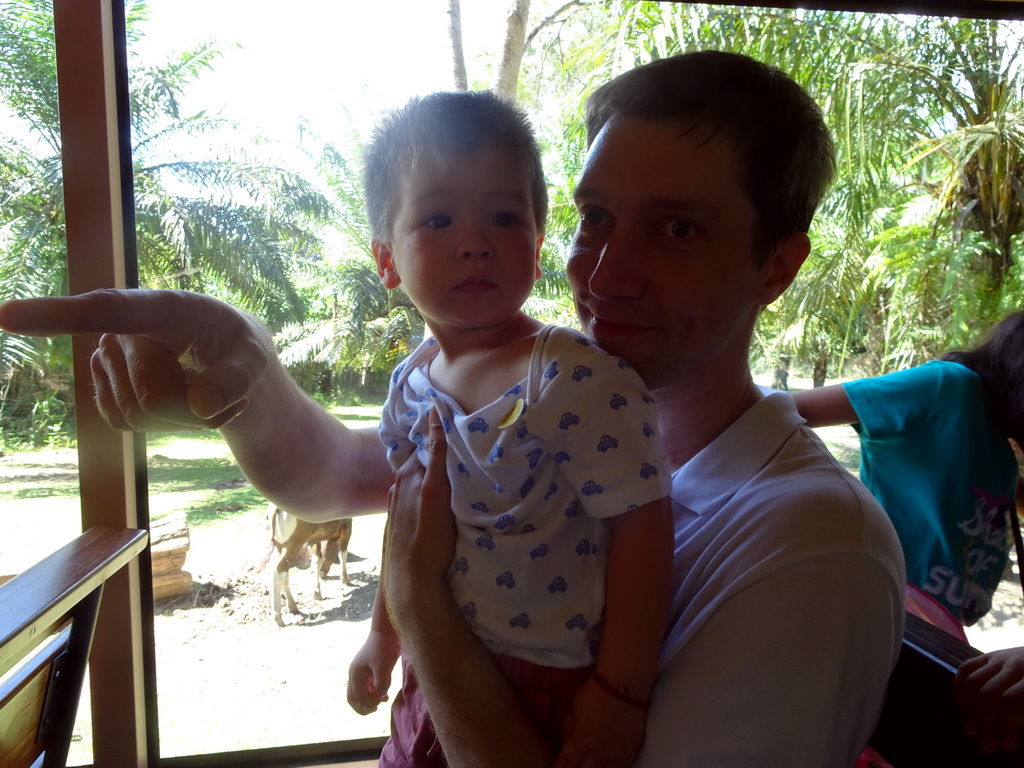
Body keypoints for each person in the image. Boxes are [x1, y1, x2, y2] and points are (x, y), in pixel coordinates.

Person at [0, 51, 906, 766]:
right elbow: (352, 474)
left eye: (676, 228)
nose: (602, 271)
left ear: (778, 266)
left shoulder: (809, 545)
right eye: (595, 218)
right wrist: (239, 377)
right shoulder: (526, 401)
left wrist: (413, 598)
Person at [345, 90, 673, 768]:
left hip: (544, 684)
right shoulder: (411, 383)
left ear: (536, 241)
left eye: (503, 216)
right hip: (432, 666)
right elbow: (404, 523)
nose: (475, 243)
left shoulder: (572, 379)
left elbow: (643, 526)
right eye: (437, 219)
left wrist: (622, 692)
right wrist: (385, 633)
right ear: (386, 260)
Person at [793, 310, 1024, 754]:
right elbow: (789, 410)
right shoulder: (949, 388)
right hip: (896, 606)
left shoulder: (1002, 447)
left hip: (939, 623)